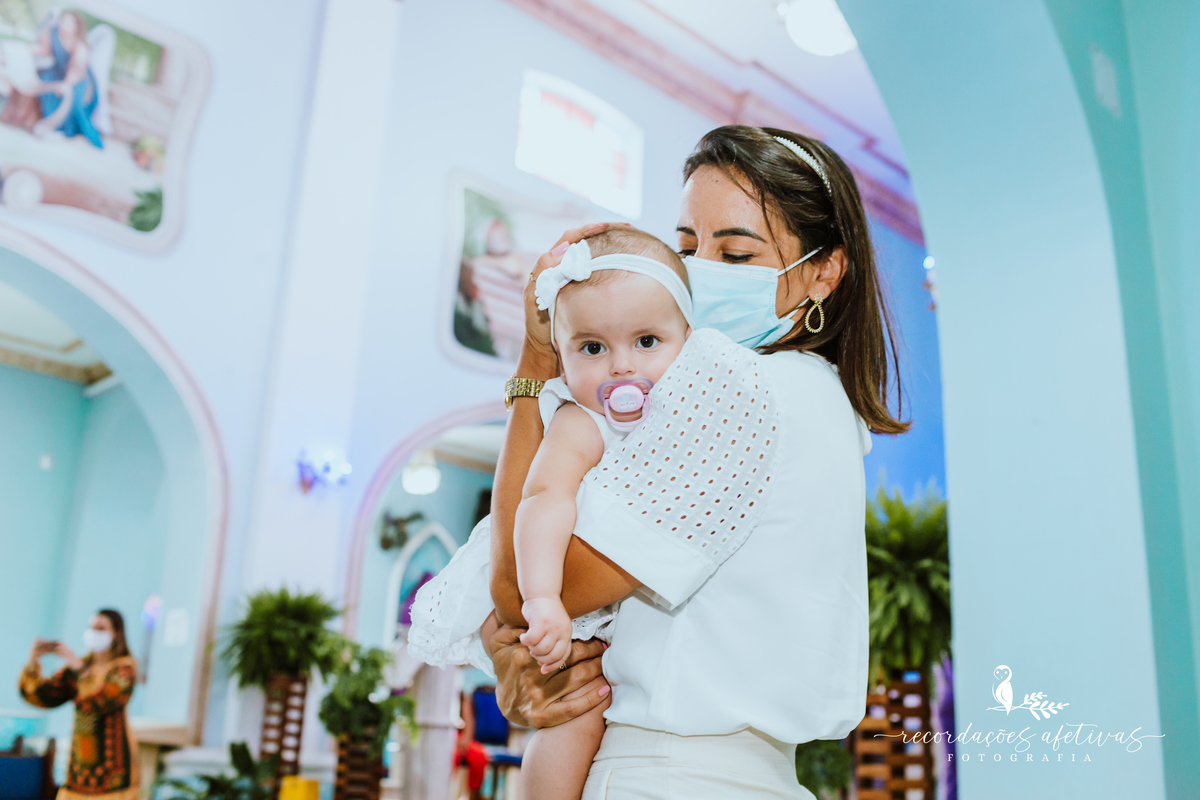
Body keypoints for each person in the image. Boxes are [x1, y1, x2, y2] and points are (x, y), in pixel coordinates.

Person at [484, 125, 909, 798]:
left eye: (736, 255)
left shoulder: (740, 387)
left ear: (825, 272)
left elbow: (518, 591)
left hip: (665, 774)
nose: (702, 273)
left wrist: (539, 358)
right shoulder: (822, 403)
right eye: (686, 248)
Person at [409, 227, 705, 799]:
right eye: (592, 348)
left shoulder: (694, 412)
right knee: (576, 714)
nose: (622, 367)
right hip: (558, 583)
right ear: (563, 359)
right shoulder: (580, 420)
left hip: (637, 616)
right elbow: (544, 500)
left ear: (689, 340)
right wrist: (543, 598)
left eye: (647, 341)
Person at [20, 609, 139, 800]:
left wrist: (76, 665)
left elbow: (105, 700)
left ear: (116, 633)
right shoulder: (78, 666)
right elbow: (43, 697)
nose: (94, 633)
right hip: (79, 769)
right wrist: (33, 660)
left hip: (113, 770)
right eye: (91, 627)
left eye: (101, 628)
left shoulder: (123, 668)